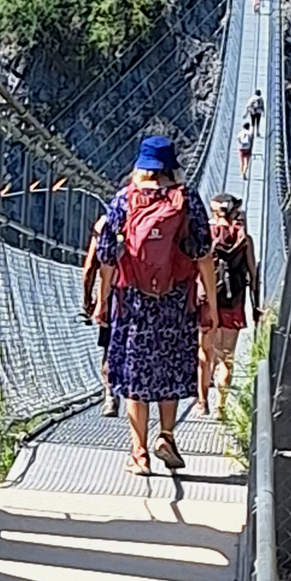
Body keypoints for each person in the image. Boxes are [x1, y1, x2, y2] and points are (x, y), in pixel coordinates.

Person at [96, 132, 215, 476]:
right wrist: (211, 304)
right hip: (175, 300)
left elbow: (107, 256)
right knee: (169, 369)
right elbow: (202, 252)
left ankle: (139, 453)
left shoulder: (124, 199)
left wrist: (102, 302)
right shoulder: (187, 199)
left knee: (136, 376)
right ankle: (166, 435)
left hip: (133, 301)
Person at [203, 196, 257, 414]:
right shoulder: (244, 239)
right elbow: (254, 275)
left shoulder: (207, 235)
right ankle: (220, 406)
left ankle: (202, 401)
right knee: (227, 356)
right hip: (234, 302)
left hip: (209, 302)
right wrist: (256, 305)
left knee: (207, 352)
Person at [79, 204, 117, 416]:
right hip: (140, 295)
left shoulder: (104, 226)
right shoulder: (143, 221)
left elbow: (89, 269)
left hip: (111, 297)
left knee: (109, 348)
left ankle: (110, 396)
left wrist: (88, 302)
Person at [237, 91, 264, 179]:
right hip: (248, 148)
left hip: (241, 148)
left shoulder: (252, 98)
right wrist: (263, 112)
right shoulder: (260, 98)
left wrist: (246, 114)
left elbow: (247, 106)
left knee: (242, 162)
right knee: (258, 122)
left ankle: (242, 172)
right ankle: (257, 131)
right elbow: (262, 106)